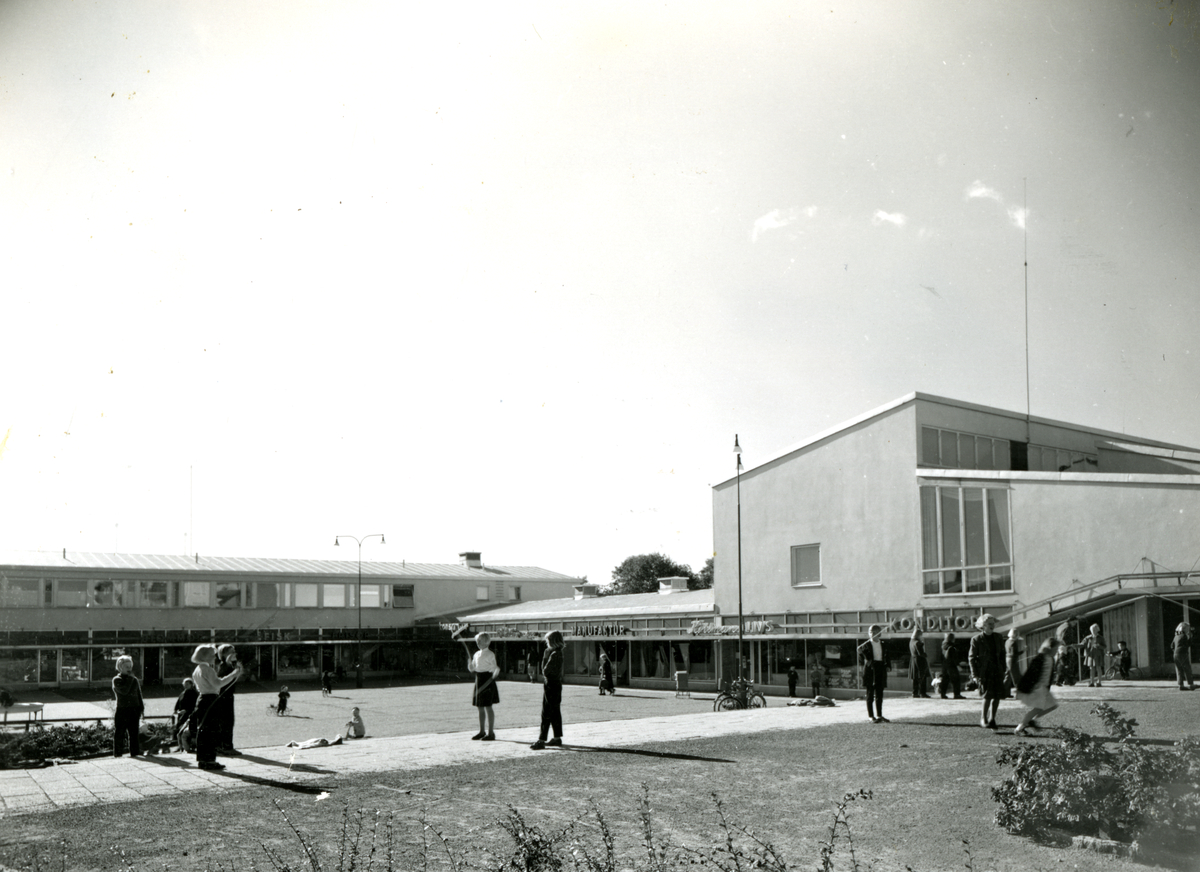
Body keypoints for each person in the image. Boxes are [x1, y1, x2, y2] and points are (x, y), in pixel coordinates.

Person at [190, 644, 243, 770]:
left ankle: (203, 759)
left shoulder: (198, 669)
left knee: (203, 731)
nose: (214, 657)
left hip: (202, 699)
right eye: (212, 655)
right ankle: (210, 760)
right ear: (205, 656)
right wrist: (233, 675)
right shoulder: (208, 669)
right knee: (211, 731)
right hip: (210, 699)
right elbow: (218, 684)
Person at [1014, 638, 1062, 736]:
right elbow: (1030, 673)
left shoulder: (1051, 659)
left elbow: (1048, 676)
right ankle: (1019, 728)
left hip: (1043, 688)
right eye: (1055, 649)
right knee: (1038, 708)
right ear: (1050, 648)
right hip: (1036, 687)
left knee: (1052, 705)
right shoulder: (1040, 658)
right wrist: (1026, 687)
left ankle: (1031, 721)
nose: (1056, 651)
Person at [968, 613, 1005, 729]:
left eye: (993, 624)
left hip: (997, 670)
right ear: (983, 625)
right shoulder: (976, 639)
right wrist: (974, 675)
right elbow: (971, 658)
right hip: (985, 671)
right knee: (987, 695)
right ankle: (983, 718)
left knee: (997, 696)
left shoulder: (998, 637)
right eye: (989, 624)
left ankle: (992, 718)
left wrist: (1004, 668)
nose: (992, 626)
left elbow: (1003, 654)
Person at [530, 630, 565, 749]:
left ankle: (541, 739)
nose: (547, 643)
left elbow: (545, 671)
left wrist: (545, 657)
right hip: (556, 684)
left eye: (548, 641)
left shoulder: (554, 654)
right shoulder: (559, 653)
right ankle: (557, 737)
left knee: (546, 712)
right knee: (555, 712)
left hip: (550, 685)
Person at [467, 632, 500, 740]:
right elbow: (473, 669)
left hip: (487, 679)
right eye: (477, 641)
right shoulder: (476, 654)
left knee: (488, 706)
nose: (478, 643)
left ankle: (491, 733)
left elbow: (495, 668)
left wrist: (495, 673)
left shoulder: (490, 654)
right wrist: (469, 665)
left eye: (480, 641)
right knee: (480, 707)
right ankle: (482, 731)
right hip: (479, 679)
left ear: (486, 642)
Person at [112, 655, 144, 757]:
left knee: (134, 733)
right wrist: (130, 678)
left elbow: (139, 694)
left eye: (130, 666)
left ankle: (135, 753)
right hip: (122, 709)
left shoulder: (134, 680)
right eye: (127, 667)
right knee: (120, 732)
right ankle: (118, 754)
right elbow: (124, 691)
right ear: (120, 667)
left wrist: (141, 708)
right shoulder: (117, 680)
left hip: (134, 709)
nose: (129, 669)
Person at [213, 644, 242, 756]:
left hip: (227, 696)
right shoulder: (224, 666)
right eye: (232, 652)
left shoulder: (228, 666)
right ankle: (226, 746)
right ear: (225, 654)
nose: (235, 653)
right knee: (227, 721)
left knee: (227, 721)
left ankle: (222, 745)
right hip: (224, 697)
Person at [857, 624, 889, 723]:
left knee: (879, 693)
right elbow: (863, 658)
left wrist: (888, 665)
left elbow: (887, 656)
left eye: (874, 632)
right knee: (870, 693)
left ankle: (879, 715)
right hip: (870, 669)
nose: (872, 634)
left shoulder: (883, 644)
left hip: (880, 668)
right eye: (870, 632)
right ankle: (871, 716)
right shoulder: (866, 645)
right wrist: (861, 652)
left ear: (879, 633)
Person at [173, 677, 198, 752]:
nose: (186, 685)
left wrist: (186, 711)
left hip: (189, 716)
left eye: (187, 684)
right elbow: (178, 702)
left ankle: (187, 746)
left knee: (185, 731)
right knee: (178, 729)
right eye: (184, 684)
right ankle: (179, 746)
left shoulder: (194, 694)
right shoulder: (183, 693)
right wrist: (176, 710)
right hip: (181, 715)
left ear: (191, 684)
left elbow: (194, 706)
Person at [939, 633, 965, 698]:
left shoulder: (943, 646)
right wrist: (957, 665)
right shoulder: (952, 647)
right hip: (952, 666)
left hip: (945, 665)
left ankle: (943, 694)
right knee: (956, 680)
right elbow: (953, 658)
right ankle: (957, 694)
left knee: (945, 680)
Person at [909, 627, 931, 698]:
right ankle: (922, 693)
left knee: (915, 678)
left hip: (913, 660)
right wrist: (925, 654)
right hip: (920, 661)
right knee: (922, 676)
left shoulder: (911, 641)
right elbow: (921, 653)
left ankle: (915, 692)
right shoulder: (918, 643)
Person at [1172, 623, 1195, 691]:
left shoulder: (1176, 636)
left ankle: (1180, 685)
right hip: (1182, 653)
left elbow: (1172, 646)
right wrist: (1190, 637)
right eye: (1187, 628)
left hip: (1175, 654)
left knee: (1179, 669)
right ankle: (1191, 684)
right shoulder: (1184, 636)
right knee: (1187, 668)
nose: (1188, 630)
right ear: (1184, 629)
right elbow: (1188, 644)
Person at [1004, 628, 1024, 699]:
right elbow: (1014, 654)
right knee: (1016, 677)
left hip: (1007, 659)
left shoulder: (1007, 641)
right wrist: (1023, 651)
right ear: (1015, 634)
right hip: (1012, 661)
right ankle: (1019, 695)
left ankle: (1004, 693)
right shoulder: (1013, 642)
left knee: (1008, 677)